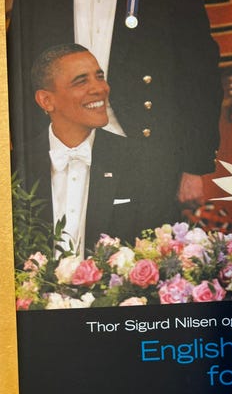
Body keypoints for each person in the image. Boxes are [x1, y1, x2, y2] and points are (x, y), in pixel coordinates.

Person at [7, 0, 222, 227]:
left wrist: (193, 166)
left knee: (142, 247)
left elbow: (198, 72)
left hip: (148, 154)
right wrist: (30, 157)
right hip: (60, 153)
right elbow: (17, 68)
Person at [17, 43, 146, 257]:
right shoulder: (14, 165)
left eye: (99, 77)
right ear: (46, 100)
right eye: (81, 81)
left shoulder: (140, 160)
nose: (100, 89)